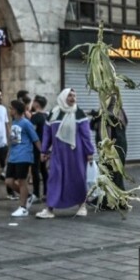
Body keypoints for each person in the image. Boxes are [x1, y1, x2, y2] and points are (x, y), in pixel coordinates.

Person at [38, 88, 95, 218]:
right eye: (70, 96)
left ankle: (82, 206)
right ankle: (49, 209)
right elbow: (47, 134)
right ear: (63, 97)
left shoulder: (79, 113)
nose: (72, 98)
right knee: (54, 179)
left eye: (74, 96)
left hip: (76, 153)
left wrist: (89, 152)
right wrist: (44, 150)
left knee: (78, 178)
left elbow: (86, 135)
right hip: (58, 154)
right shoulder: (53, 113)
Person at [7, 100, 39, 217]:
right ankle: (28, 196)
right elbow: (14, 142)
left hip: (24, 155)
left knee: (22, 181)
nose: (9, 110)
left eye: (11, 108)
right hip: (14, 156)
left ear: (15, 110)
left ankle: (23, 207)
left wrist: (43, 153)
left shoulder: (26, 123)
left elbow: (35, 139)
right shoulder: (15, 122)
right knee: (9, 181)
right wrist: (9, 155)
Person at [30, 95, 49, 201]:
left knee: (35, 170)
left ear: (36, 104)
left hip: (36, 147)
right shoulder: (47, 115)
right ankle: (46, 193)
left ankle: (36, 194)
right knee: (44, 170)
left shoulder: (36, 117)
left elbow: (31, 132)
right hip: (45, 146)